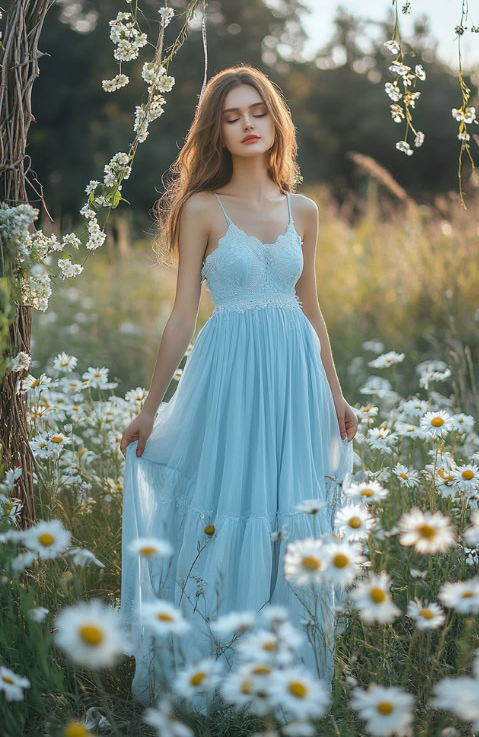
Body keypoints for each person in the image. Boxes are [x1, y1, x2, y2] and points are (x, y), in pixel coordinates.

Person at [119, 64, 358, 716]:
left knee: (288, 509)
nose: (248, 124)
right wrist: (148, 407)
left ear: (276, 120)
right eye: (232, 116)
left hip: (294, 380)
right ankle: (212, 674)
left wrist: (336, 396)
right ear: (216, 131)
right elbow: (181, 315)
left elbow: (313, 312)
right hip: (227, 376)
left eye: (257, 111)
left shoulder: (302, 211)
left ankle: (280, 674)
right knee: (229, 504)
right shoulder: (201, 208)